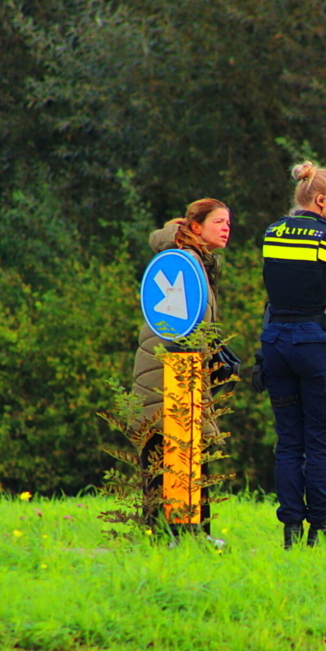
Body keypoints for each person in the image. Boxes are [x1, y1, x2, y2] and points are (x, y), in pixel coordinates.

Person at [258, 161, 326, 549]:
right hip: (316, 344)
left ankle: (289, 531)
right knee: (320, 440)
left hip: (276, 342)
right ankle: (318, 530)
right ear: (320, 200)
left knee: (288, 441)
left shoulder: (273, 232)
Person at [131, 198, 231, 535]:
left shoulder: (195, 261)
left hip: (182, 371)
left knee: (187, 455)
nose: (226, 227)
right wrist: (209, 353)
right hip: (168, 375)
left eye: (228, 222)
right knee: (172, 456)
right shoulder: (184, 261)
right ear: (195, 227)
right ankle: (171, 536)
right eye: (218, 221)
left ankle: (190, 535)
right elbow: (184, 328)